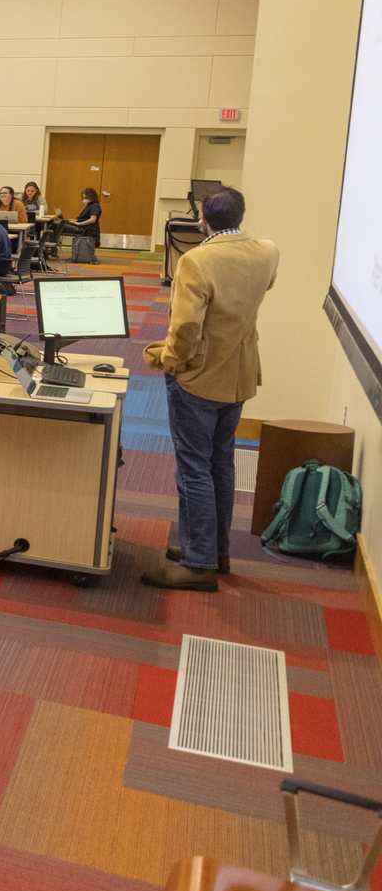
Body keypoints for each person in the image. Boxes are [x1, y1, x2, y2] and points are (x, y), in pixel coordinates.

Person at [143, 188, 278, 591]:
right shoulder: (267, 251)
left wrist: (169, 359)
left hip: (199, 378)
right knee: (221, 464)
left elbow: (185, 329)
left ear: (202, 218)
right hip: (238, 373)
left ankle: (198, 564)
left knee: (193, 470)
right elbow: (262, 288)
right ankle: (214, 551)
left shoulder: (196, 260)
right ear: (243, 213)